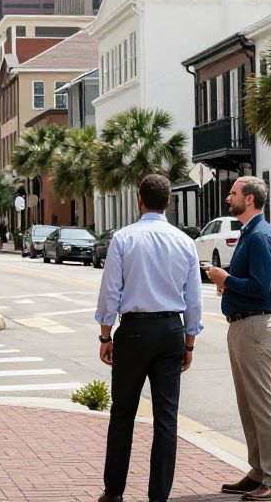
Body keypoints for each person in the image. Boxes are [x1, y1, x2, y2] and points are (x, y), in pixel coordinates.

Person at [95, 174, 203, 502]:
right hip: (171, 329)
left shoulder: (124, 238)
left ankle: (114, 491)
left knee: (123, 412)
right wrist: (189, 342)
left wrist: (105, 335)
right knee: (166, 417)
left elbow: (110, 290)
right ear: (168, 202)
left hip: (135, 330)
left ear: (139, 200)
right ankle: (159, 495)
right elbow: (194, 298)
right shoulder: (185, 241)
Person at [207, 176, 271, 502]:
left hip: (255, 328)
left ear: (250, 198)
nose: (228, 198)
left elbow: (262, 287)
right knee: (248, 407)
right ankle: (258, 472)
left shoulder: (260, 236)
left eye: (234, 193)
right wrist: (229, 283)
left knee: (262, 408)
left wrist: (227, 279)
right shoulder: (249, 233)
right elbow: (251, 283)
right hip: (243, 327)